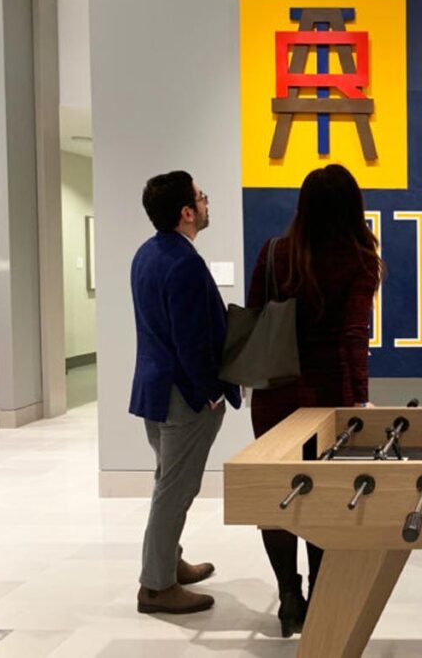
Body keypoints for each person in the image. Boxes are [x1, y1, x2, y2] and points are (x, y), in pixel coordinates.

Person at [247, 164, 382, 636]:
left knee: (277, 495)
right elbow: (353, 336)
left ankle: (288, 597)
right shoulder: (360, 258)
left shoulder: (275, 251)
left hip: (273, 393)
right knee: (324, 496)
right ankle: (323, 591)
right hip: (327, 397)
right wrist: (360, 400)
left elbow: (256, 314)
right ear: (352, 207)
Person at [130, 171, 242, 614]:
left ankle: (169, 563)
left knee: (167, 483)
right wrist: (211, 392)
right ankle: (156, 587)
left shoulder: (147, 254)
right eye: (202, 197)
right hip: (184, 398)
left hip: (154, 392)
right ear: (186, 212)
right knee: (175, 490)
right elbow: (191, 341)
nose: (206, 203)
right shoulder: (185, 263)